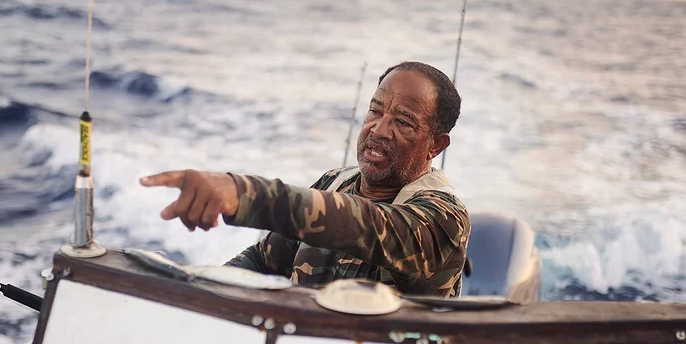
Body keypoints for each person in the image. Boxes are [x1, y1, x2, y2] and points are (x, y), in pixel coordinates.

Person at [140, 61, 470, 296]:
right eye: (375, 111)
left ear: (435, 145)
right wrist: (204, 292)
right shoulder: (334, 182)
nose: (379, 130)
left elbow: (366, 225)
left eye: (403, 121)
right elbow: (264, 261)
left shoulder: (444, 218)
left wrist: (244, 194)